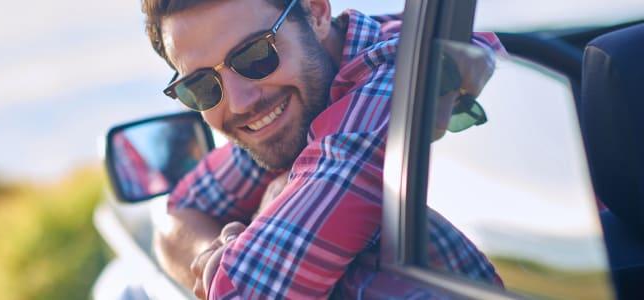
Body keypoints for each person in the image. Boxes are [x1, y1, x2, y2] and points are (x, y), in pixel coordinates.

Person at [141, 0, 507, 298]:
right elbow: (179, 212)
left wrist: (268, 207)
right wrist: (209, 256)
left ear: (315, 13)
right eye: (202, 86)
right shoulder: (290, 104)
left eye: (254, 56)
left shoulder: (397, 82)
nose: (238, 103)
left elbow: (247, 293)